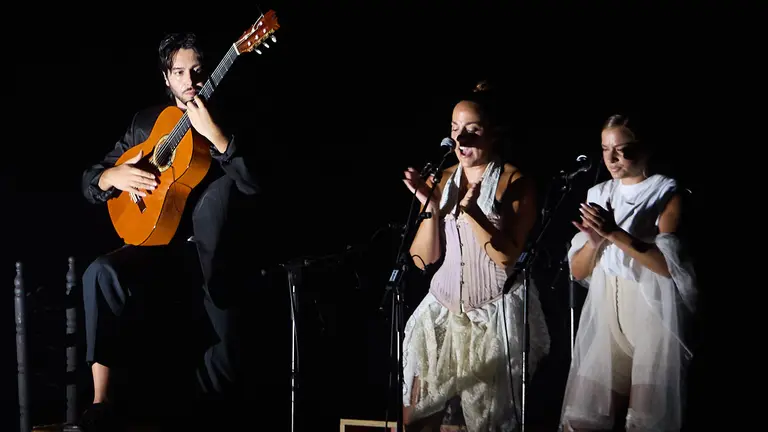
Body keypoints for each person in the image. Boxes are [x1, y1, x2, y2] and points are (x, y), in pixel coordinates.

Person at [78, 32, 262, 430]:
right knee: (101, 272)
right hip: (157, 248)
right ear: (166, 78)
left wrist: (216, 137)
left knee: (221, 379)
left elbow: (256, 185)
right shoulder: (147, 123)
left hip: (212, 258)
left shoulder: (230, 120)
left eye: (197, 70)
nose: (189, 80)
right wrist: (113, 175)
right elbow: (91, 180)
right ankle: (99, 402)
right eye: (179, 72)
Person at [400, 81, 551, 431]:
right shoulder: (445, 178)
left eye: (472, 130)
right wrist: (433, 209)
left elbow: (507, 257)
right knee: (416, 419)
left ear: (493, 133)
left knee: (485, 424)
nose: (461, 140)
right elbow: (423, 260)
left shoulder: (515, 182)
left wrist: (475, 215)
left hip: (492, 316)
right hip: (443, 310)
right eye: (455, 130)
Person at [559, 114, 697, 431]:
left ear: (645, 148)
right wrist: (594, 242)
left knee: (646, 420)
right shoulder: (599, 193)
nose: (612, 158)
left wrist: (614, 233)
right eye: (606, 148)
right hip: (608, 309)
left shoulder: (666, 191)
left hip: (651, 312)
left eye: (622, 149)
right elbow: (578, 271)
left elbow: (668, 267)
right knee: (584, 417)